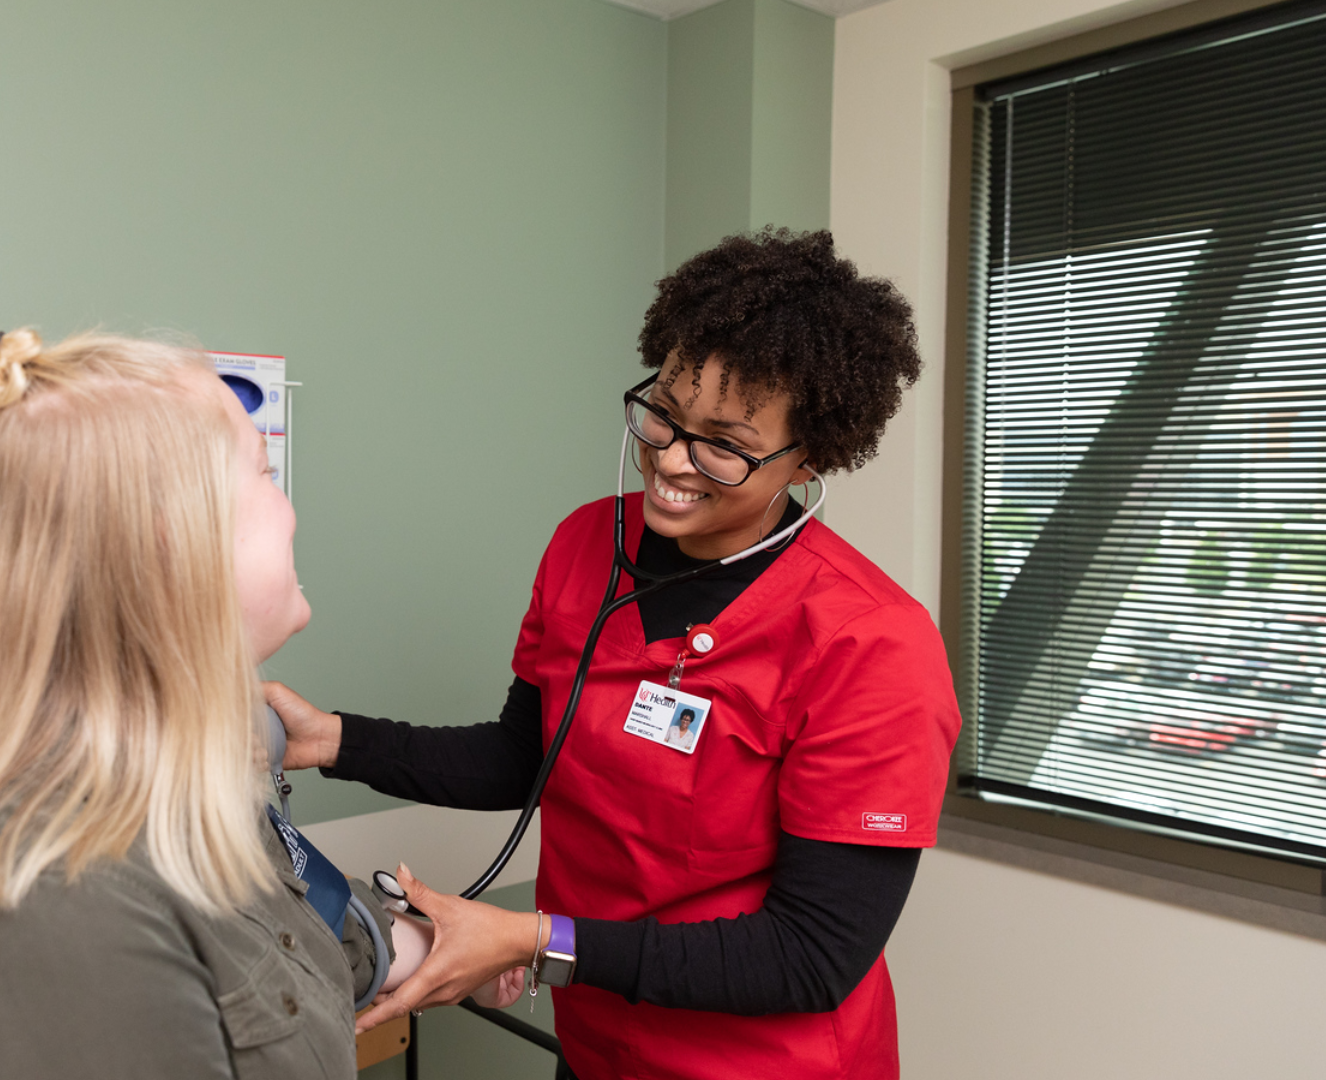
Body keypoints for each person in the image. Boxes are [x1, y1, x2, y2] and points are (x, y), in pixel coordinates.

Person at [268, 229, 962, 1079]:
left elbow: (811, 956)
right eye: (663, 412)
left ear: (808, 455)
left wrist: (537, 939)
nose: (671, 458)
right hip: (599, 1045)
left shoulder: (872, 644)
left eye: (724, 444)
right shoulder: (588, 541)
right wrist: (331, 740)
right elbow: (526, 757)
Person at [0, 305, 413, 1079]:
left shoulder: (177, 801)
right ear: (173, 543)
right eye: (265, 476)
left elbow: (289, 953)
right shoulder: (37, 912)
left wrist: (445, 944)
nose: (289, 508)